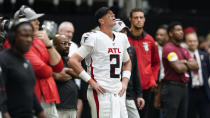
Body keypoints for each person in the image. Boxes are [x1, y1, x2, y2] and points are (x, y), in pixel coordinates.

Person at [68, 7, 132, 118]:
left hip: (118, 91)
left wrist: (125, 82)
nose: (113, 16)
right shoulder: (93, 37)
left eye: (113, 14)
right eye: (109, 15)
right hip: (101, 91)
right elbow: (73, 60)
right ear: (101, 21)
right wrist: (90, 81)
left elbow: (127, 62)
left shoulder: (121, 38)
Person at [14, 5, 63, 118]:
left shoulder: (40, 40)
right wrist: (51, 69)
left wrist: (49, 45)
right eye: (33, 20)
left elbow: (58, 67)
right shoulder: (17, 42)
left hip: (47, 96)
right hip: (29, 97)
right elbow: (44, 71)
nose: (37, 22)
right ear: (22, 23)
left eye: (37, 19)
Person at [0, 19, 46, 118]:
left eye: (31, 36)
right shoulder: (3, 60)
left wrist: (41, 113)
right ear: (13, 36)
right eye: (25, 35)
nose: (29, 39)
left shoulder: (27, 62)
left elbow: (31, 93)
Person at [127, 8, 160, 118]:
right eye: (136, 18)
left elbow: (156, 63)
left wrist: (153, 79)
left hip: (145, 87)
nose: (139, 20)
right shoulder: (124, 39)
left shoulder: (149, 40)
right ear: (130, 19)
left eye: (141, 17)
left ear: (144, 19)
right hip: (128, 87)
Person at [161, 21, 198, 118]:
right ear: (170, 33)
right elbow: (178, 68)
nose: (181, 32)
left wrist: (184, 62)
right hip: (172, 87)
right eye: (177, 30)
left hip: (184, 87)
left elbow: (196, 66)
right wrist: (187, 62)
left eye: (181, 30)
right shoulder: (168, 48)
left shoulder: (183, 49)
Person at [113, 19, 145, 118]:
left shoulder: (131, 49)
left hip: (129, 94)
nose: (123, 34)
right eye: (120, 31)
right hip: (113, 94)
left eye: (125, 31)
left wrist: (139, 95)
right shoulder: (107, 48)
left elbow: (135, 72)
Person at [58, 21, 83, 118]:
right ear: (60, 31)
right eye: (68, 32)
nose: (70, 35)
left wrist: (67, 71)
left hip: (73, 89)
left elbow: (77, 70)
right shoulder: (51, 44)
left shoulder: (74, 46)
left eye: (72, 32)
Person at [184, 31, 210, 118]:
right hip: (189, 91)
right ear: (186, 42)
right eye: (190, 41)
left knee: (205, 114)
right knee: (190, 114)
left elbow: (208, 72)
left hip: (203, 90)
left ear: (198, 42)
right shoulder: (184, 55)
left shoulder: (205, 55)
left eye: (194, 41)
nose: (192, 43)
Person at [53, 34, 78, 118]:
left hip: (72, 106)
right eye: (64, 43)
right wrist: (73, 73)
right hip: (59, 107)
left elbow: (80, 73)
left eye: (68, 44)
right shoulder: (52, 60)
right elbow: (60, 76)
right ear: (55, 45)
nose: (67, 46)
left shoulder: (69, 59)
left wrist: (67, 70)